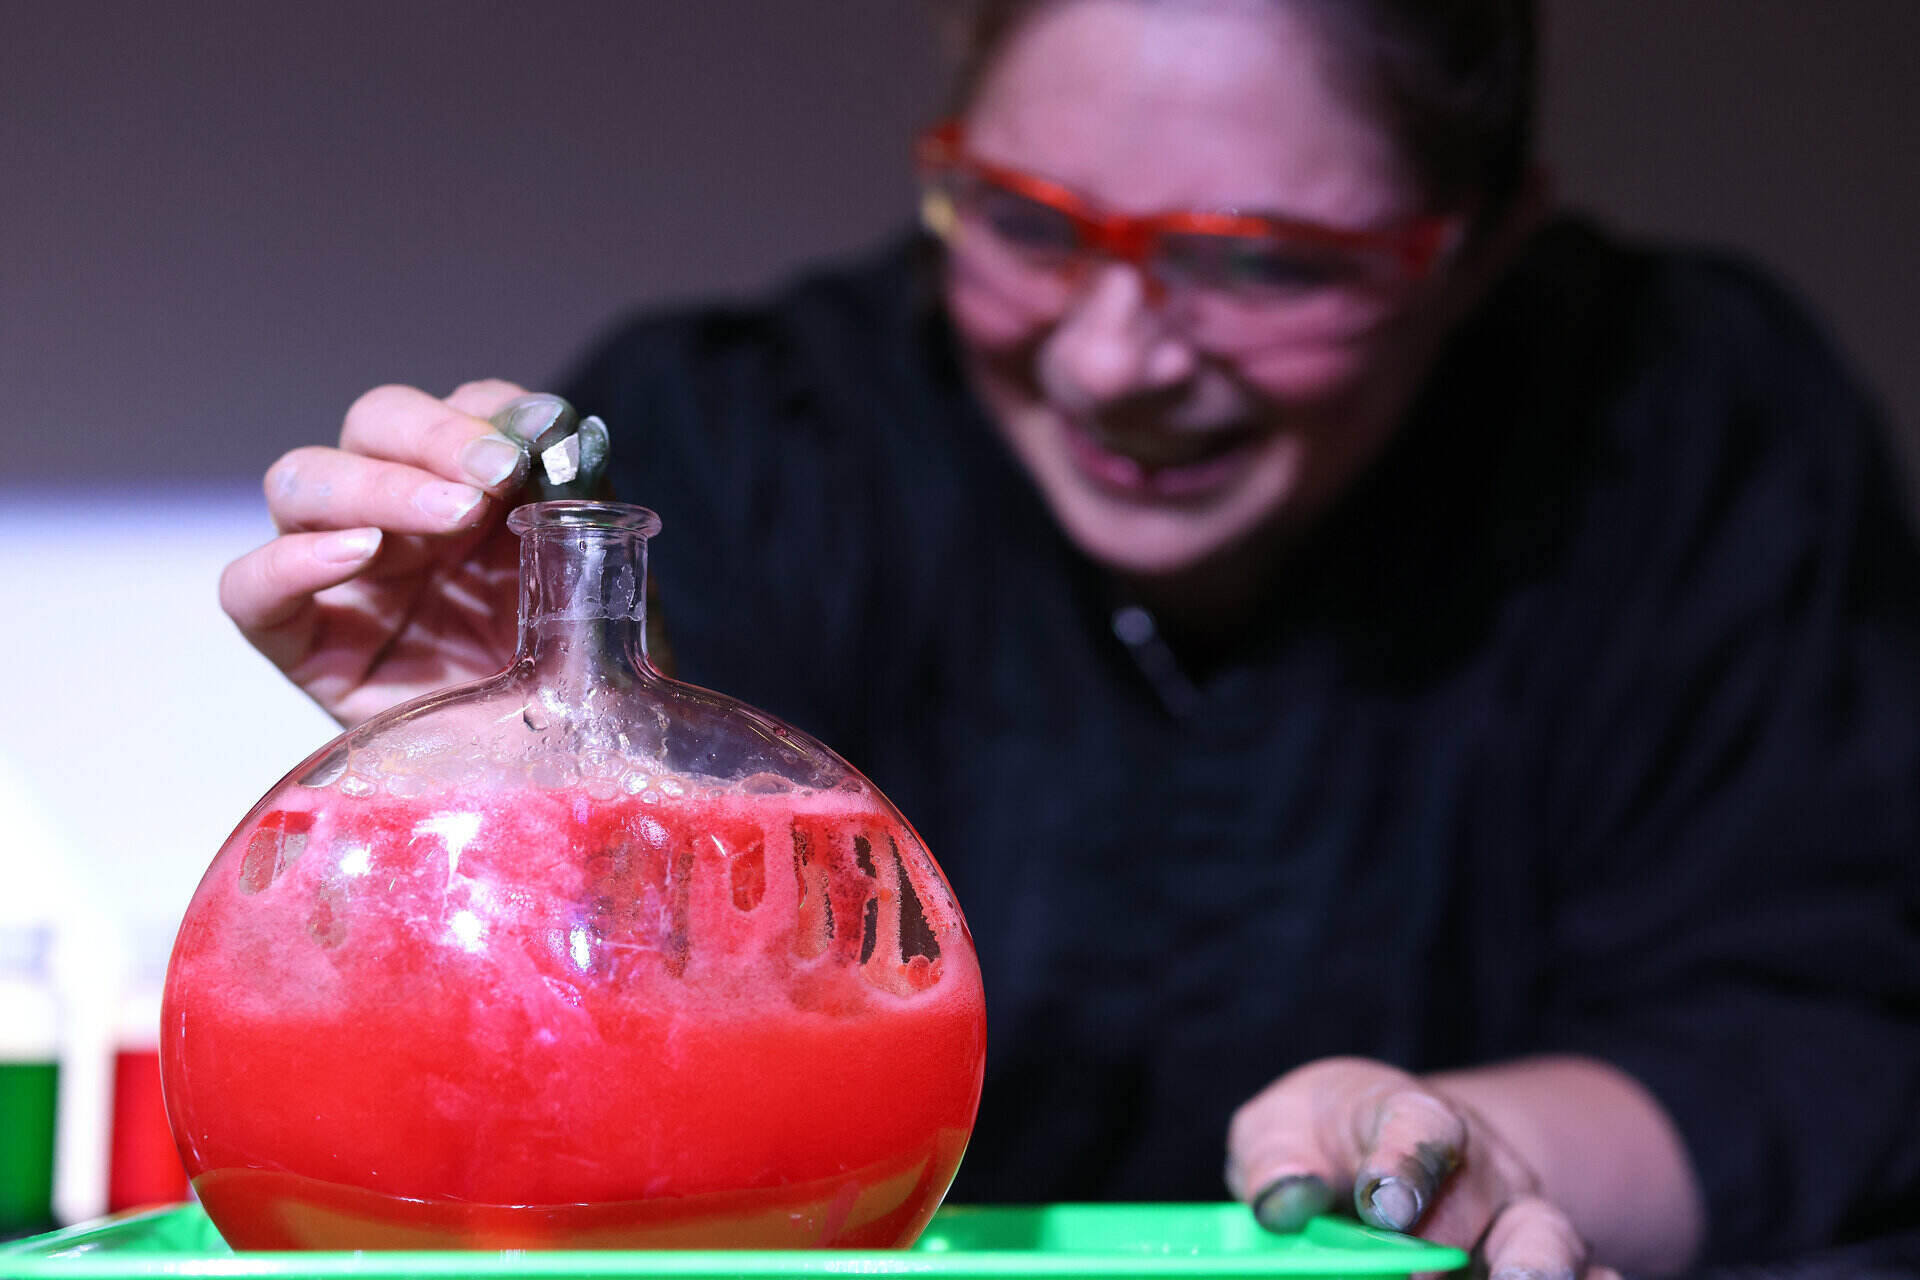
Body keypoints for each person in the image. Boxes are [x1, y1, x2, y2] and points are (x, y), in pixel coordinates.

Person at [216, 0, 1920, 1274]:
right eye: (1030, 225)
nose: (1115, 360)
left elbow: (1813, 1033)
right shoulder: (745, 435)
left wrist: (1474, 1158)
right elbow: (605, 1128)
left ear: (1475, 249)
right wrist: (531, 813)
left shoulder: (1689, 434)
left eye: (1262, 267)